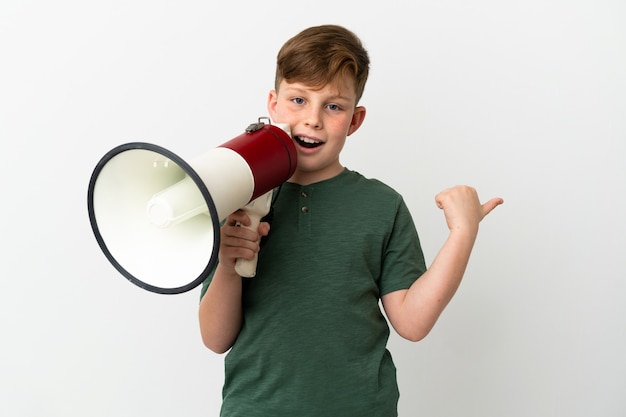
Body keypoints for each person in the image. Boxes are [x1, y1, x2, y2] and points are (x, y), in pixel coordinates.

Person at [198, 24, 503, 416]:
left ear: (355, 120)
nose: (312, 119)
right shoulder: (236, 194)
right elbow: (215, 338)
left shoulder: (382, 205)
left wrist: (463, 233)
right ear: (273, 104)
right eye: (298, 100)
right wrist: (227, 264)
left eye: (333, 106)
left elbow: (412, 322)